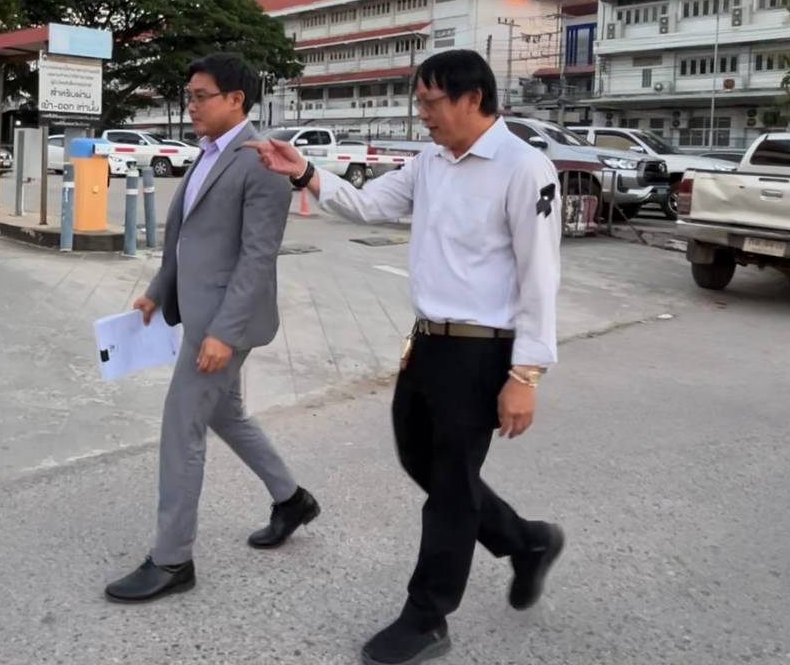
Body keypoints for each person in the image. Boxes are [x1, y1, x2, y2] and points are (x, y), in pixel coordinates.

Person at [245, 49, 564, 665]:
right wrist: (303, 171)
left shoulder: (525, 168)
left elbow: (540, 276)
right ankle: (525, 541)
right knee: (422, 460)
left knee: (449, 488)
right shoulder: (430, 163)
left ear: (473, 98)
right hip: (427, 343)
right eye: (419, 102)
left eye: (431, 102)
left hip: (482, 351)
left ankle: (427, 616)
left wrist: (526, 373)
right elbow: (368, 205)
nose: (423, 114)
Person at [103, 52, 321, 604]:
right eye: (189, 96)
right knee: (226, 413)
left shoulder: (262, 163)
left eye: (201, 96)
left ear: (235, 100)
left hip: (224, 323)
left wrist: (224, 333)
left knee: (182, 425)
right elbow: (187, 238)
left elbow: (257, 257)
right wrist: (158, 291)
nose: (191, 106)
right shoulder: (205, 154)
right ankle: (291, 499)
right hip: (199, 312)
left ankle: (172, 559)